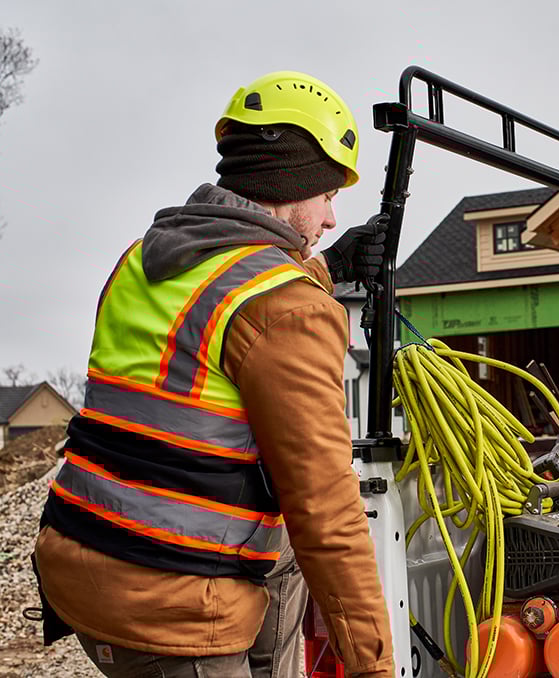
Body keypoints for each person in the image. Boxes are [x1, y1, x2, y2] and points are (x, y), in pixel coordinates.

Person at [32, 71, 394, 678]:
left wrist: (324, 266)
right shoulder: (289, 307)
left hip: (79, 553)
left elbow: (227, 305)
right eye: (330, 195)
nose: (332, 218)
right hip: (166, 607)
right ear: (293, 183)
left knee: (281, 553)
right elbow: (325, 511)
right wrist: (374, 666)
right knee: (306, 527)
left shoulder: (143, 258)